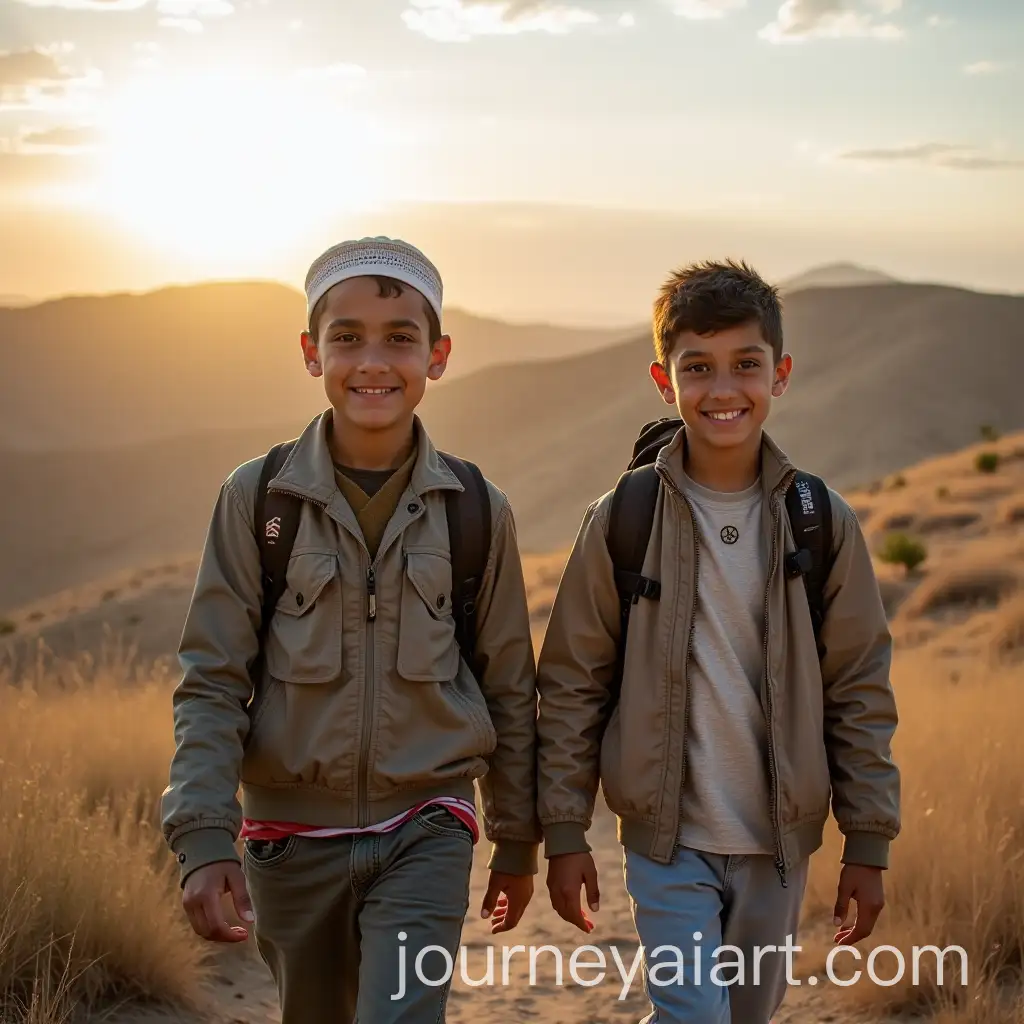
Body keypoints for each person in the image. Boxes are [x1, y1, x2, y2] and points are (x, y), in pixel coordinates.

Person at [161, 236, 540, 1024]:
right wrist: (204, 836)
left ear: (437, 356)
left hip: (429, 825)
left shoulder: (475, 509)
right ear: (310, 353)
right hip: (288, 838)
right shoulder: (258, 499)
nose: (374, 360)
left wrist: (517, 837)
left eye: (401, 337)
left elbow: (509, 683)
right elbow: (214, 677)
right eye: (347, 337)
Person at [534, 259, 900, 1023]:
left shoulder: (819, 520)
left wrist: (867, 838)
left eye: (746, 365)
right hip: (667, 843)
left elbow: (859, 685)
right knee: (691, 1014)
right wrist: (565, 828)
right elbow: (572, 679)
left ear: (781, 373)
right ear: (664, 382)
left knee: (740, 1016)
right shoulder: (624, 518)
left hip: (779, 844)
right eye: (697, 367)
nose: (723, 388)